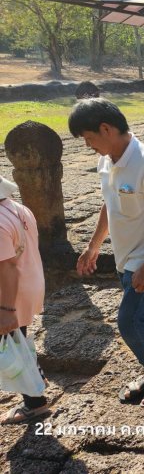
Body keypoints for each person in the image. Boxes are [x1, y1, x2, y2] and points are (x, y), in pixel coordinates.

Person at [69, 98, 144, 407]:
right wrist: (93, 246)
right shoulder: (107, 161)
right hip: (125, 257)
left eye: (89, 138)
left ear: (106, 129)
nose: (88, 145)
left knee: (130, 321)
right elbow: (109, 203)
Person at [0, 175, 48, 424]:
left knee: (12, 348)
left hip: (9, 296)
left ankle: (35, 401)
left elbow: (6, 268)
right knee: (18, 343)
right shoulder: (17, 208)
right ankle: (35, 385)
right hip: (29, 285)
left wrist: (6, 309)